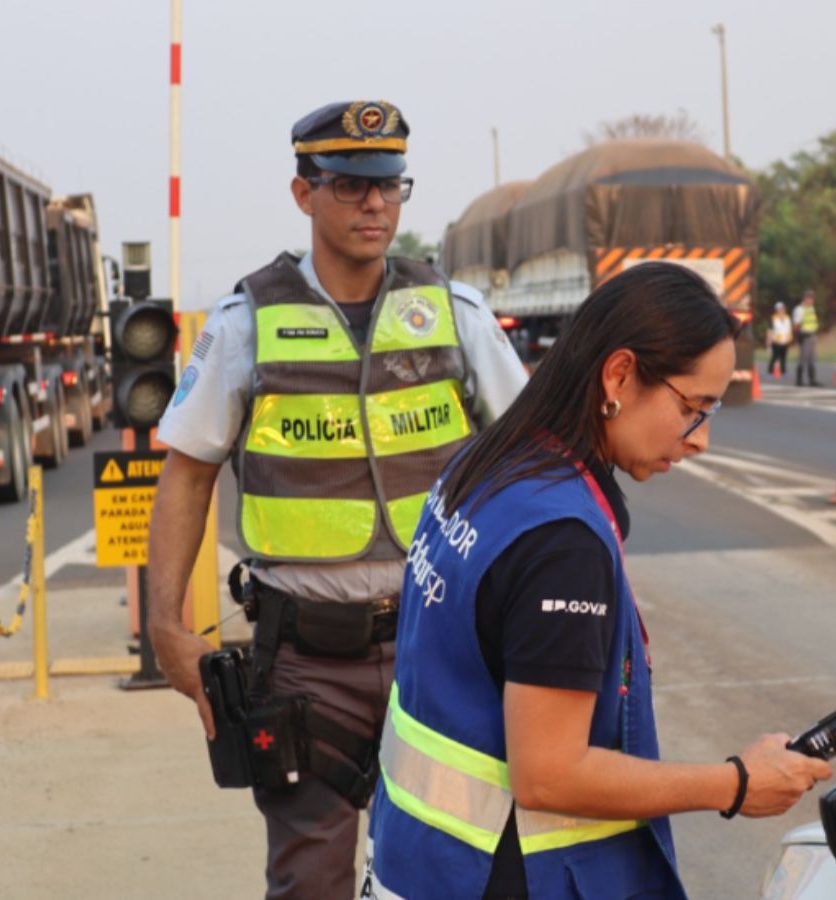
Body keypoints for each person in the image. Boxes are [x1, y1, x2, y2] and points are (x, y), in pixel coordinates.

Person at [147, 100, 527, 899]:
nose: (375, 205)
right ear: (303, 193)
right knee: (310, 881)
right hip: (305, 665)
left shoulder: (453, 315)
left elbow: (536, 456)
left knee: (468, 873)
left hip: (446, 650)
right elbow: (185, 475)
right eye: (351, 186)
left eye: (390, 186)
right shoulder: (248, 324)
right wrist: (165, 627)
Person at [364, 263, 833, 899]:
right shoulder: (562, 542)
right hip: (503, 875)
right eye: (693, 408)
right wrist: (736, 783)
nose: (701, 440)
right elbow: (549, 777)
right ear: (617, 376)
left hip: (417, 859)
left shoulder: (486, 461)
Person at [793, 290, 821, 386]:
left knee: (812, 358)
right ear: (805, 299)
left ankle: (812, 380)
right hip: (804, 336)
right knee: (803, 358)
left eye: (812, 298)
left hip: (812, 335)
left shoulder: (811, 309)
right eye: (810, 298)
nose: (812, 300)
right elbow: (796, 324)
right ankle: (799, 380)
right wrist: (798, 336)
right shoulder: (799, 309)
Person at [766, 300, 793, 379]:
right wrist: (768, 341)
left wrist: (790, 339)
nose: (781, 310)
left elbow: (789, 329)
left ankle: (783, 372)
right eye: (779, 308)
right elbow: (770, 331)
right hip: (776, 341)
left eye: (782, 308)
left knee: (783, 358)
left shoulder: (787, 318)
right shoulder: (773, 318)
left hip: (785, 341)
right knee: (774, 357)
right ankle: (770, 372)